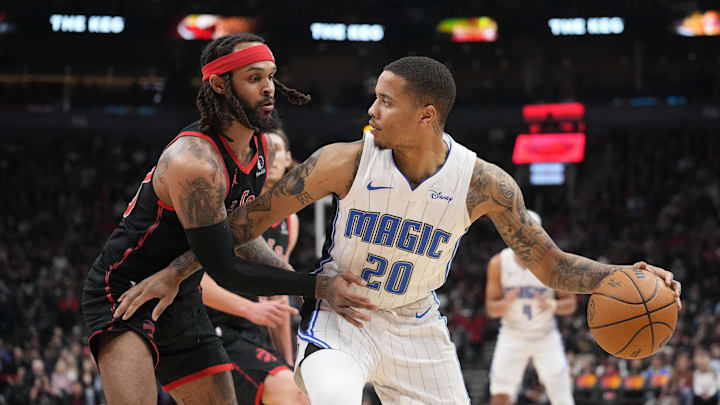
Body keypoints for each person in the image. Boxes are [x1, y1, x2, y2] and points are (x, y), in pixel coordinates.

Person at [116, 55, 682, 404]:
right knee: (335, 396)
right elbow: (243, 224)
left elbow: (550, 263)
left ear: (426, 116)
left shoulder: (484, 184)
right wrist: (175, 270)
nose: (372, 111)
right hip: (345, 317)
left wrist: (620, 276)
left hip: (418, 331)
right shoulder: (345, 160)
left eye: (386, 102)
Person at [81, 33, 375, 405]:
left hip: (182, 296)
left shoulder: (264, 148)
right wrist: (314, 286)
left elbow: (237, 231)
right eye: (254, 78)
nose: (269, 89)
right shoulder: (195, 163)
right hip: (126, 291)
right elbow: (224, 265)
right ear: (220, 84)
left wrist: (299, 278)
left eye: (271, 76)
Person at [200, 128, 308, 405]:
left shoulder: (289, 222)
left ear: (288, 159)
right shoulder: (231, 204)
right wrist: (252, 309)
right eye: (264, 150)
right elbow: (194, 281)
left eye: (277, 150)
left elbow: (277, 293)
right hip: (213, 326)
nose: (271, 156)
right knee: (294, 396)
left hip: (254, 331)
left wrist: (287, 359)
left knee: (300, 391)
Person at [485, 210, 576, 405]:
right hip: (513, 333)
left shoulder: (554, 263)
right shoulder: (498, 263)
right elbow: (491, 309)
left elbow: (570, 304)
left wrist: (551, 304)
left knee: (562, 397)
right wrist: (505, 303)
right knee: (500, 394)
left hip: (545, 335)